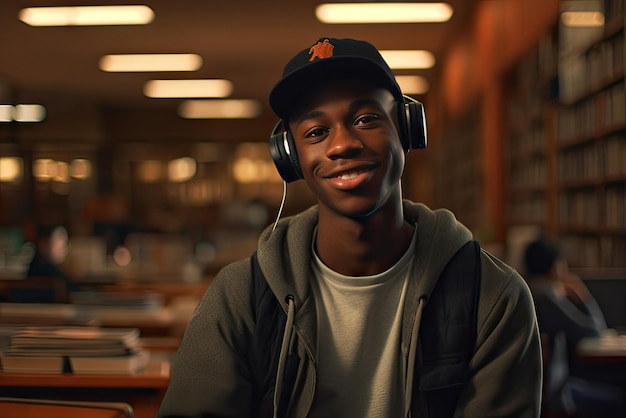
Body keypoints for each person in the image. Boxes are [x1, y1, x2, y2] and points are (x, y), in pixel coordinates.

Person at [157, 37, 542, 418]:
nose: (342, 145)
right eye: (315, 132)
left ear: (406, 129)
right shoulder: (240, 295)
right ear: (290, 157)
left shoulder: (492, 297)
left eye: (365, 119)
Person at [524, 236, 625, 417]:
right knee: (620, 400)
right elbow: (595, 330)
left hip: (540, 395)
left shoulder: (527, 290)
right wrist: (582, 295)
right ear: (555, 266)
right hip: (558, 397)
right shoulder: (546, 295)